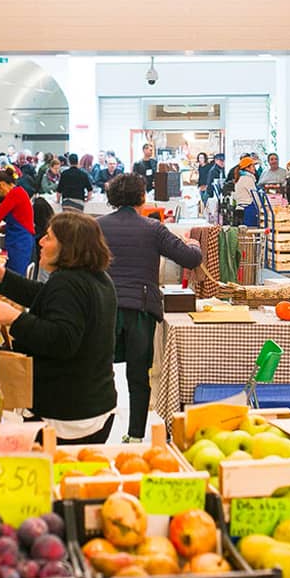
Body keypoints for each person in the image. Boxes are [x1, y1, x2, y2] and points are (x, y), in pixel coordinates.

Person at [0, 213, 117, 445]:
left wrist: (14, 319)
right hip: (95, 403)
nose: (41, 242)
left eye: (49, 237)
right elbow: (47, 297)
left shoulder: (68, 283)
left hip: (69, 415)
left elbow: (62, 341)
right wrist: (0, 273)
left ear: (68, 247)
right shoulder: (96, 278)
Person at [98, 173, 203, 443]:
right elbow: (190, 259)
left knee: (100, 371)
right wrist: (194, 243)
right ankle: (134, 435)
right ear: (142, 197)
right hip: (141, 309)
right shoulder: (152, 228)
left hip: (104, 308)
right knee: (138, 374)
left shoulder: (97, 227)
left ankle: (99, 430)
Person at [0, 169, 36, 276]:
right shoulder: (19, 192)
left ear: (2, 184)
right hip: (19, 240)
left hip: (20, 241)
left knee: (16, 277)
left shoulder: (15, 193)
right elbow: (16, 220)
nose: (0, 193)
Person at [232, 156, 261, 226]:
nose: (255, 168)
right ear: (247, 168)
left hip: (240, 210)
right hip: (248, 212)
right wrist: (260, 210)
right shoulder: (248, 179)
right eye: (253, 166)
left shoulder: (240, 178)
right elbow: (255, 196)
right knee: (250, 235)